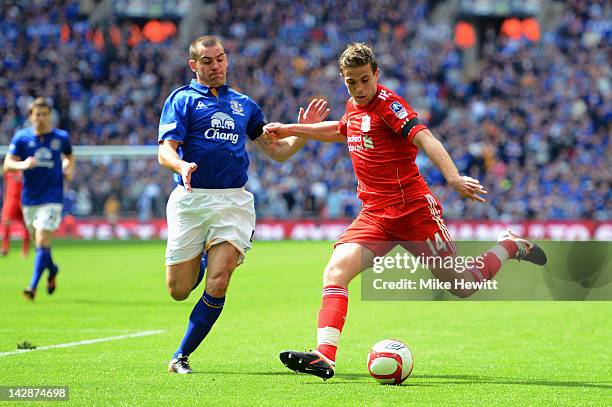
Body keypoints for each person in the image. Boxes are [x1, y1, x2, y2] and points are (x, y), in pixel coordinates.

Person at [264, 43, 547, 380]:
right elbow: (341, 129)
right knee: (335, 272)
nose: (359, 88)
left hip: (413, 212)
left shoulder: (390, 106)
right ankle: (324, 356)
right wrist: (293, 128)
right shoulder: (354, 107)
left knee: (462, 285)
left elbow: (426, 139)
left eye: (364, 80)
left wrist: (453, 177)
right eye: (351, 82)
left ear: (376, 74)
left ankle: (510, 245)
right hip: (375, 214)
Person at [158, 35, 329, 374]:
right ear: (194, 65)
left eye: (220, 58)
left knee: (219, 281)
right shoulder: (182, 100)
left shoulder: (245, 105)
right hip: (191, 200)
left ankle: (180, 355)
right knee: (179, 290)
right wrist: (181, 166)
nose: (216, 65)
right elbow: (165, 149)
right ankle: (202, 260)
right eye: (207, 61)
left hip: (233, 202)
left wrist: (305, 131)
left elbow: (277, 152)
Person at [3, 97, 75, 300]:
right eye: (37, 114)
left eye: (45, 114)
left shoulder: (61, 137)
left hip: (52, 197)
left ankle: (32, 287)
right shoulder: (21, 138)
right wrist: (23, 165)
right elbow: (7, 165)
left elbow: (69, 156)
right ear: (30, 116)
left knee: (43, 239)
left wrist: (68, 167)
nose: (41, 118)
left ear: (50, 116)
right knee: (41, 246)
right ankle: (52, 270)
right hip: (29, 200)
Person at [1, 169, 30, 257]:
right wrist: (5, 201)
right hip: (11, 199)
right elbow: (5, 186)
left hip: (24, 199)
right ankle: (4, 248)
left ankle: (25, 250)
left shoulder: (25, 168)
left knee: (26, 225)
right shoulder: (8, 170)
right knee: (6, 222)